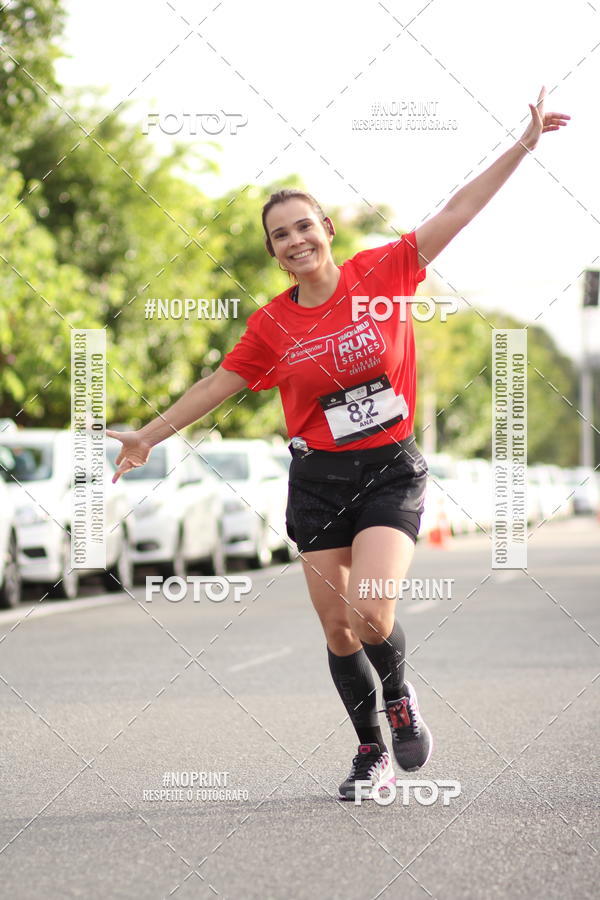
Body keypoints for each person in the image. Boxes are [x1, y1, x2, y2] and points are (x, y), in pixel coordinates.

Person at [108, 88, 569, 801]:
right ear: (273, 252)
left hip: (389, 470)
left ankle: (402, 697)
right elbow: (216, 385)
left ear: (326, 228)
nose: (295, 241)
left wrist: (524, 144)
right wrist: (147, 434)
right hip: (319, 480)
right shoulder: (271, 326)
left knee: (372, 612)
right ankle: (368, 750)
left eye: (303, 226)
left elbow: (459, 210)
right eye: (280, 236)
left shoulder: (381, 274)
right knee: (337, 629)